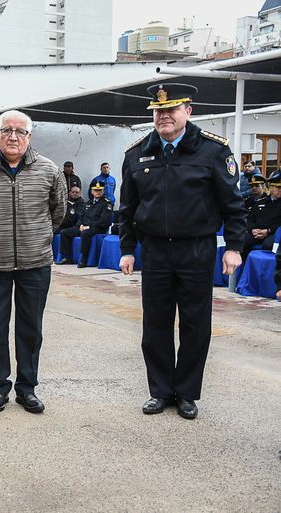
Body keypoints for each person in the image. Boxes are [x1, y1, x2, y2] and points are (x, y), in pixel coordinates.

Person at [119, 83, 245, 420]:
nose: (164, 116)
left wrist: (233, 247)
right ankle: (160, 391)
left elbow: (234, 206)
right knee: (155, 324)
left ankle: (187, 393)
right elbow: (127, 210)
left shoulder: (213, 151)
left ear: (188, 112)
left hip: (196, 251)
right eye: (158, 111)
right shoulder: (136, 154)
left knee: (195, 324)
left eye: (171, 110)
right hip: (156, 252)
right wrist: (127, 249)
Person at [0, 110, 66, 414]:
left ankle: (27, 388)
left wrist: (39, 236)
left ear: (30, 137)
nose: (13, 137)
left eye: (20, 131)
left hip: (36, 262)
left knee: (31, 327)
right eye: (6, 130)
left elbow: (57, 213)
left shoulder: (48, 170)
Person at [57, 180, 112, 267]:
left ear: (103, 191)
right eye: (96, 190)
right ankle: (66, 257)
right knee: (64, 232)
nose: (98, 192)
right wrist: (80, 225)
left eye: (100, 190)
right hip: (84, 226)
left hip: (98, 228)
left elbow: (104, 221)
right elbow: (81, 216)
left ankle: (83, 259)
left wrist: (89, 226)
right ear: (92, 191)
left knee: (85, 234)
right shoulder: (88, 203)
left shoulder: (106, 203)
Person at [241, 171, 281, 261]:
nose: (280, 190)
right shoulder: (261, 202)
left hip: (273, 233)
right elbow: (250, 219)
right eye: (277, 187)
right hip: (257, 232)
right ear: (270, 188)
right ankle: (246, 267)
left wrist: (268, 231)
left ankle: (266, 271)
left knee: (268, 245)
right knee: (242, 241)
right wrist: (252, 229)